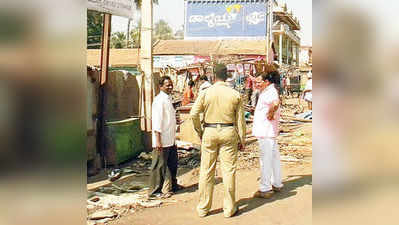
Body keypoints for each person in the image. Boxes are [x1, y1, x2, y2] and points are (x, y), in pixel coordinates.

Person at [190, 63, 246, 218]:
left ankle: (203, 208)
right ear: (227, 76)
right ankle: (229, 209)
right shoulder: (234, 94)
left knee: (206, 171)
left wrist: (200, 131)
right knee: (228, 171)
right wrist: (242, 139)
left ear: (213, 76)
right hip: (228, 131)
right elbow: (240, 121)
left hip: (209, 130)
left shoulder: (206, 92)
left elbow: (194, 114)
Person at [148, 76, 181, 198]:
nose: (170, 87)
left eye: (171, 84)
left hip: (170, 139)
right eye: (167, 85)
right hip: (161, 139)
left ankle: (173, 186)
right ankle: (154, 191)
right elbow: (157, 121)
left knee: (172, 163)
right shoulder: (159, 100)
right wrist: (158, 140)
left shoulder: (168, 99)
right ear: (160, 86)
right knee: (158, 166)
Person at [252, 71, 283, 199]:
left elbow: (276, 103)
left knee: (265, 159)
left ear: (266, 82)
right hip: (268, 131)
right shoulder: (267, 90)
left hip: (266, 131)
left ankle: (265, 188)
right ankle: (276, 183)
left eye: (259, 82)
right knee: (274, 157)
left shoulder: (270, 91)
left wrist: (270, 113)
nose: (256, 84)